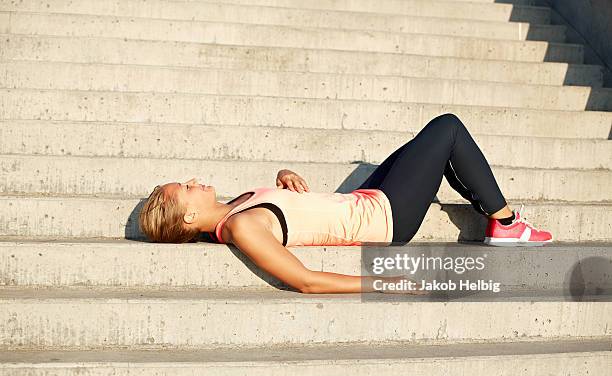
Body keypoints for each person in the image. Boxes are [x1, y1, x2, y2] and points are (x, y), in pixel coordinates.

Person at [139, 114, 552, 294]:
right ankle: (505, 221)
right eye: (185, 188)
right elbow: (305, 281)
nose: (194, 182)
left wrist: (282, 178)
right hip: (384, 219)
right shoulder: (240, 227)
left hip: (360, 200)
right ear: (189, 216)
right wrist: (383, 285)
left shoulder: (237, 208)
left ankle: (495, 211)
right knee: (446, 130)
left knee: (427, 144)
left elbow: (285, 213)